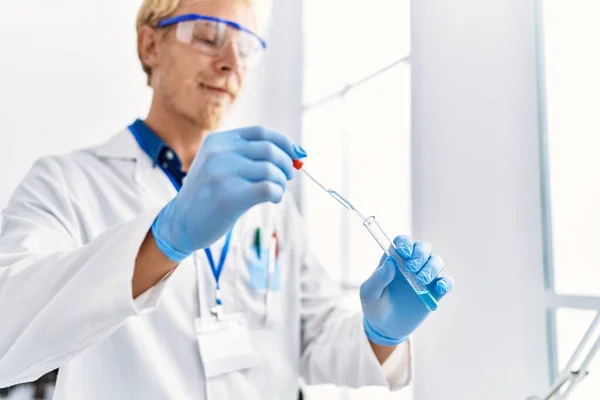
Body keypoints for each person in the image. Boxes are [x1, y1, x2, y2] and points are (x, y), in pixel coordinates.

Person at [0, 0, 455, 398]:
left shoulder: (271, 204)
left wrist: (381, 333)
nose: (231, 61)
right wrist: (163, 240)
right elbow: (7, 329)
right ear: (150, 46)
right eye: (208, 36)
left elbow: (313, 341)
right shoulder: (64, 183)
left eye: (247, 45)